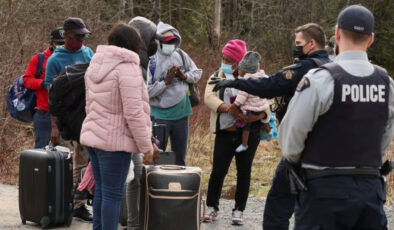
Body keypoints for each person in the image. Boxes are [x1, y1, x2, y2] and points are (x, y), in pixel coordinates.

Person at [279, 5, 394, 229]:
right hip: (369, 191)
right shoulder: (386, 84)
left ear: (337, 33)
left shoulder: (321, 79)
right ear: (371, 39)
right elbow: (384, 138)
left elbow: (291, 138)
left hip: (323, 192)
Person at [210, 23, 330, 230]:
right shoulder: (333, 67)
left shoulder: (305, 68)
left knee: (278, 207)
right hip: (326, 149)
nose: (295, 47)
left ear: (311, 44)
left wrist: (235, 83)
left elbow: (268, 86)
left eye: (298, 43)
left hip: (301, 147)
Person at [79, 22, 154, 230]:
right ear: (132, 44)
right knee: (112, 195)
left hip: (94, 138)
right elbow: (133, 112)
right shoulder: (127, 67)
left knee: (102, 193)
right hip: (114, 142)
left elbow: (89, 103)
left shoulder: (96, 62)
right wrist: (146, 146)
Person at [203, 40, 270, 226]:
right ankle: (212, 206)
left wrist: (257, 117)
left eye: (229, 59)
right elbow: (209, 97)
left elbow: (267, 103)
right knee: (218, 170)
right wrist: (227, 108)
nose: (225, 61)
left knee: (244, 171)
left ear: (239, 61)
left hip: (249, 133)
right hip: (225, 133)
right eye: (223, 57)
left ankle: (239, 210)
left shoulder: (257, 77)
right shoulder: (217, 75)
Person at [43, 17, 94, 222]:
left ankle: (78, 204)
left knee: (82, 162)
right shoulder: (56, 60)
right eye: (77, 37)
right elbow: (51, 93)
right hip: (66, 119)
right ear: (66, 36)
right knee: (65, 161)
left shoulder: (88, 53)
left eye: (84, 37)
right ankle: (59, 201)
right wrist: (54, 127)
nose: (81, 41)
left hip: (85, 117)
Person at [147, 21, 202, 166]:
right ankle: (157, 185)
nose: (170, 45)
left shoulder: (181, 55)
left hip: (181, 114)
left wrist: (184, 76)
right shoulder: (151, 60)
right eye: (166, 42)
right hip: (159, 116)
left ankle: (178, 185)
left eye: (173, 42)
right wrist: (165, 82)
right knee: (157, 158)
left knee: (179, 159)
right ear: (158, 42)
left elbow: (197, 72)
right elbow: (146, 91)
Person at [125, 16, 162, 230]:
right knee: (131, 179)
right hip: (129, 133)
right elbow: (134, 108)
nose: (155, 44)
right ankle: (132, 225)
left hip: (135, 132)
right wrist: (148, 141)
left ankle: (135, 224)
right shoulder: (134, 63)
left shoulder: (142, 61)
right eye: (152, 39)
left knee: (135, 178)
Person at [23, 28, 64, 148]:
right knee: (41, 151)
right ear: (52, 43)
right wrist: (42, 83)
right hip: (44, 113)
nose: (61, 46)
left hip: (66, 114)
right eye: (58, 43)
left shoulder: (71, 57)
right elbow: (27, 79)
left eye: (64, 43)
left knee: (66, 153)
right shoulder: (39, 58)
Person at [231, 51, 270, 153]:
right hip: (262, 107)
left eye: (240, 69)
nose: (238, 71)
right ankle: (268, 132)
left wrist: (235, 105)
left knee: (246, 125)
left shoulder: (246, 82)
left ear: (245, 70)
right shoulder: (261, 77)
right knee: (264, 120)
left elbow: (241, 97)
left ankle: (244, 144)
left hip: (251, 108)